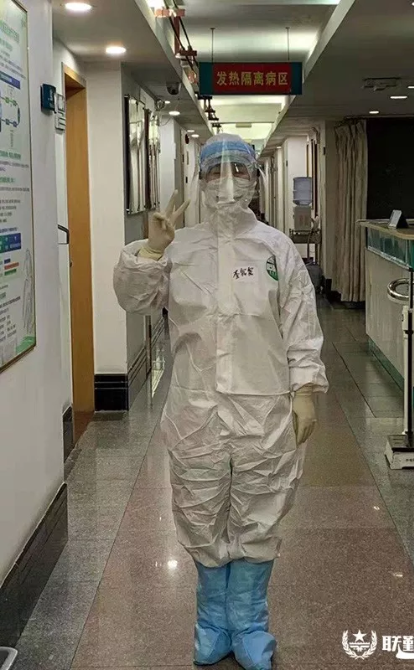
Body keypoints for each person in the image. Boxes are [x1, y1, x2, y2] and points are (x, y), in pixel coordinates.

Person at [114, 134, 328, 670]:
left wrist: (305, 389)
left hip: (265, 408)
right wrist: (151, 250)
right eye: (215, 172)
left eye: (238, 170)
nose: (227, 182)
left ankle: (250, 624)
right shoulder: (180, 248)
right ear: (200, 180)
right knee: (198, 508)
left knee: (262, 508)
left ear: (255, 177)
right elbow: (135, 300)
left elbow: (300, 324)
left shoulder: (276, 248)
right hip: (196, 411)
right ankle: (211, 623)